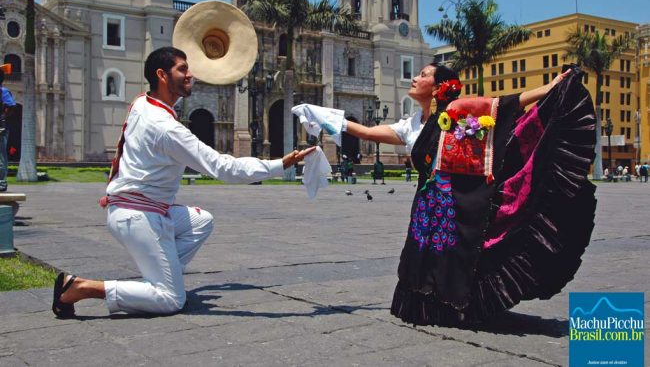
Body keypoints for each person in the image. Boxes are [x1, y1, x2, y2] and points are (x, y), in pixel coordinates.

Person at [302, 62, 596, 326]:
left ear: (439, 87)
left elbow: (506, 104)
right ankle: (429, 310)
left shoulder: (460, 111)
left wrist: (551, 88)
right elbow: (366, 132)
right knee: (423, 255)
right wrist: (322, 116)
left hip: (457, 203)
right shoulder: (412, 124)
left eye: (424, 74)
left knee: (457, 256)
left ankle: (461, 308)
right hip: (426, 207)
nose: (415, 78)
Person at [52, 47, 315, 318]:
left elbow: (137, 133)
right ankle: (81, 287)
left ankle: (161, 279)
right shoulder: (167, 129)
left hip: (137, 209)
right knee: (170, 300)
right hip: (139, 216)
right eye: (182, 69)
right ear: (161, 75)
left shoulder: (142, 103)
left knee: (202, 221)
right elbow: (224, 168)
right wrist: (280, 164)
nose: (191, 74)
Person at [0, 66, 16, 193]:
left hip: (1, 128)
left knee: (1, 155)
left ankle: (1, 182)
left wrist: (2, 117)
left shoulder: (3, 91)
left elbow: (11, 107)